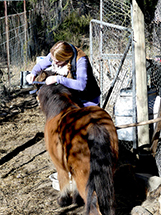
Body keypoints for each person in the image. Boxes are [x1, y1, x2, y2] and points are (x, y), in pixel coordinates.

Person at [26, 41, 101, 107]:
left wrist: (57, 79)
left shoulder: (81, 60)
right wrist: (33, 73)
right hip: (73, 96)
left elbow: (81, 85)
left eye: (57, 61)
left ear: (66, 58)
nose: (54, 63)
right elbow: (40, 65)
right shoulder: (55, 54)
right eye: (53, 60)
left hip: (88, 99)